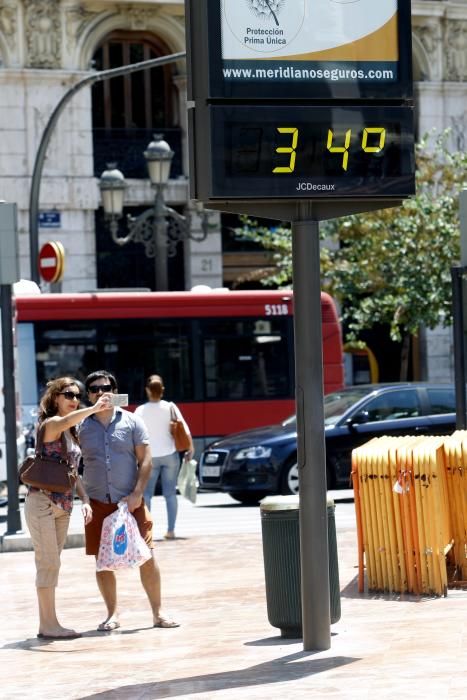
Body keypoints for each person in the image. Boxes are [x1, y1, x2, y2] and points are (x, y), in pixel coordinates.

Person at [79, 370, 179, 631]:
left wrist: (138, 493)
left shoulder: (132, 421)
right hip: (98, 502)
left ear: (114, 390)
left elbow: (145, 459)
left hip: (131, 502)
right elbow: (71, 464)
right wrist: (83, 497)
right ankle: (112, 614)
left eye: (106, 387)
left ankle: (158, 613)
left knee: (147, 556)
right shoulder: (80, 426)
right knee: (102, 561)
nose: (101, 393)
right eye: (95, 389)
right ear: (88, 395)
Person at [24, 376, 111, 640]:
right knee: (47, 563)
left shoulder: (72, 432)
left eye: (77, 395)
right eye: (68, 395)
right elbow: (63, 422)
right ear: (55, 398)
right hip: (43, 502)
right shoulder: (51, 424)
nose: (74, 399)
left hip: (63, 505)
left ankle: (49, 623)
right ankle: (48, 625)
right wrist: (95, 409)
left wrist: (84, 499)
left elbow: (72, 471)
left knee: (53, 563)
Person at [135, 374, 194, 540]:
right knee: (170, 494)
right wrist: (190, 448)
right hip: (170, 455)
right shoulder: (170, 407)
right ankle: (171, 530)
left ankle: (147, 532)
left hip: (150, 458)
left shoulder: (140, 410)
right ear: (162, 390)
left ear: (147, 390)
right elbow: (185, 429)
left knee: (147, 495)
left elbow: (134, 434)